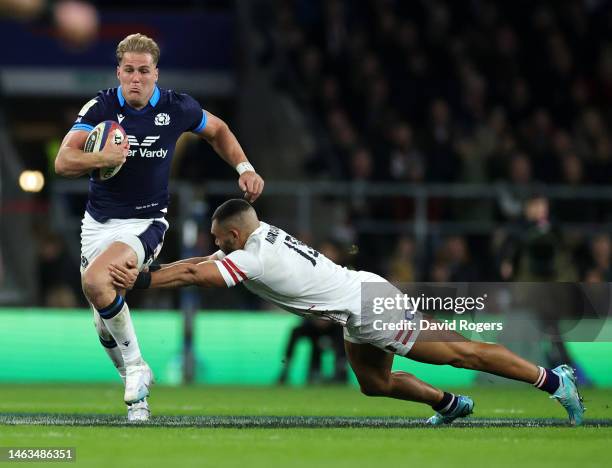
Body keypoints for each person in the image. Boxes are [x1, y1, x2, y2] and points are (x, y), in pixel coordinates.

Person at [109, 199, 585, 426]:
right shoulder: (259, 235)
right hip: (355, 308)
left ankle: (553, 380)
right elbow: (197, 265)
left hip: (371, 306)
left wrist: (142, 281)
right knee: (374, 383)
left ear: (233, 237)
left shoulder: (255, 257)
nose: (215, 247)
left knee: (462, 354)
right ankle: (448, 404)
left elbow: (196, 276)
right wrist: (148, 266)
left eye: (218, 241)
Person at [54, 34, 264, 422]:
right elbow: (63, 162)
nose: (136, 79)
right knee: (102, 321)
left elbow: (217, 130)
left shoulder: (176, 107)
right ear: (118, 72)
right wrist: (102, 156)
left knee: (97, 283)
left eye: (144, 71)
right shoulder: (100, 106)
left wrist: (244, 168)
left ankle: (136, 370)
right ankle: (138, 396)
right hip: (97, 224)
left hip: (146, 222)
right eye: (129, 71)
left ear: (156, 73)